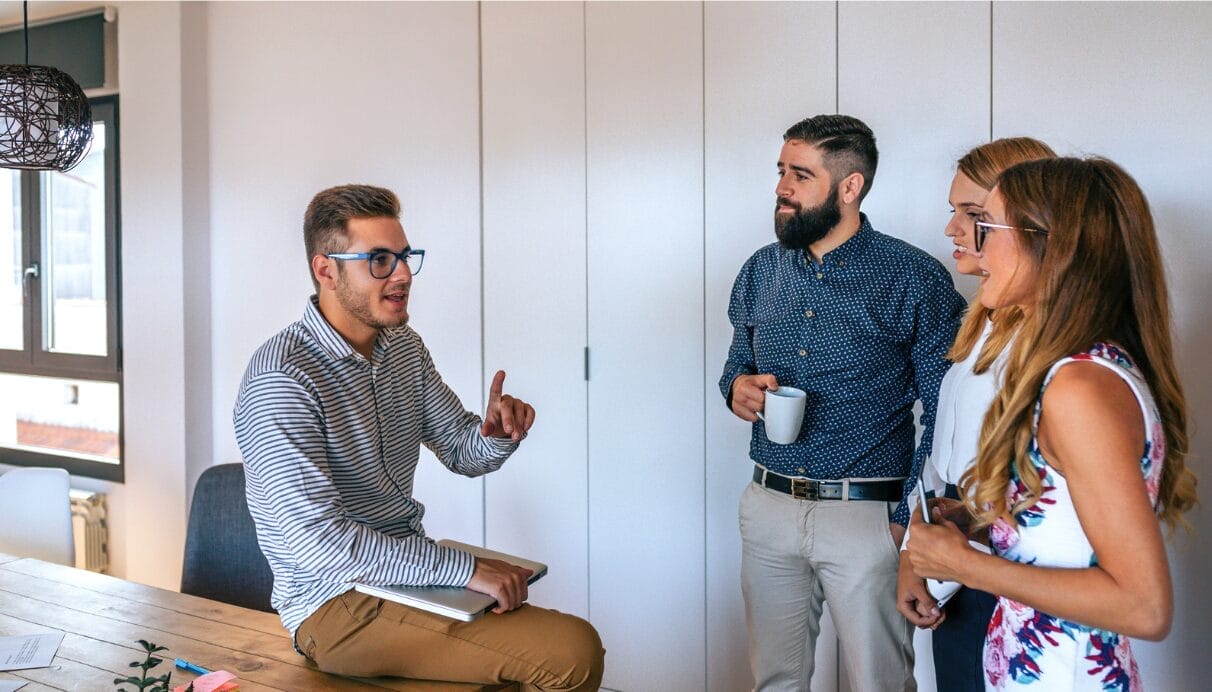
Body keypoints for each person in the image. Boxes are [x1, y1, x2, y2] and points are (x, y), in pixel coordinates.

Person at [233, 184, 604, 690]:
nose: (403, 275)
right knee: (573, 652)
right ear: (326, 270)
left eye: (405, 257)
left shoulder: (402, 346)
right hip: (334, 604)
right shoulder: (282, 380)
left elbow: (461, 450)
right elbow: (318, 545)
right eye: (380, 260)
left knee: (539, 659)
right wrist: (463, 568)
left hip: (406, 579)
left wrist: (496, 433)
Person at [906, 157, 1198, 690]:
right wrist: (974, 522)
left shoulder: (1079, 387)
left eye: (987, 227)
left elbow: (1145, 605)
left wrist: (966, 565)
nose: (973, 242)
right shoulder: (1076, 369)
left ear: (1050, 246)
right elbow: (1068, 524)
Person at [720, 114, 967, 691]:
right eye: (781, 170)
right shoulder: (760, 270)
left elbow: (944, 413)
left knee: (878, 683)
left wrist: (908, 522)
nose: (782, 187)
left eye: (800, 175)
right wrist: (737, 389)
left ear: (849, 186)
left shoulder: (914, 278)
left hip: (868, 518)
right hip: (768, 507)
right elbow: (736, 366)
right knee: (774, 681)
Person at [895, 137, 1056, 692]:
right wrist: (919, 551)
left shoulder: (1064, 356)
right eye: (956, 212)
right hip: (962, 568)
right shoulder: (984, 319)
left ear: (1031, 224)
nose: (953, 231)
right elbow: (945, 452)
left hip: (1014, 579)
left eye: (974, 215)